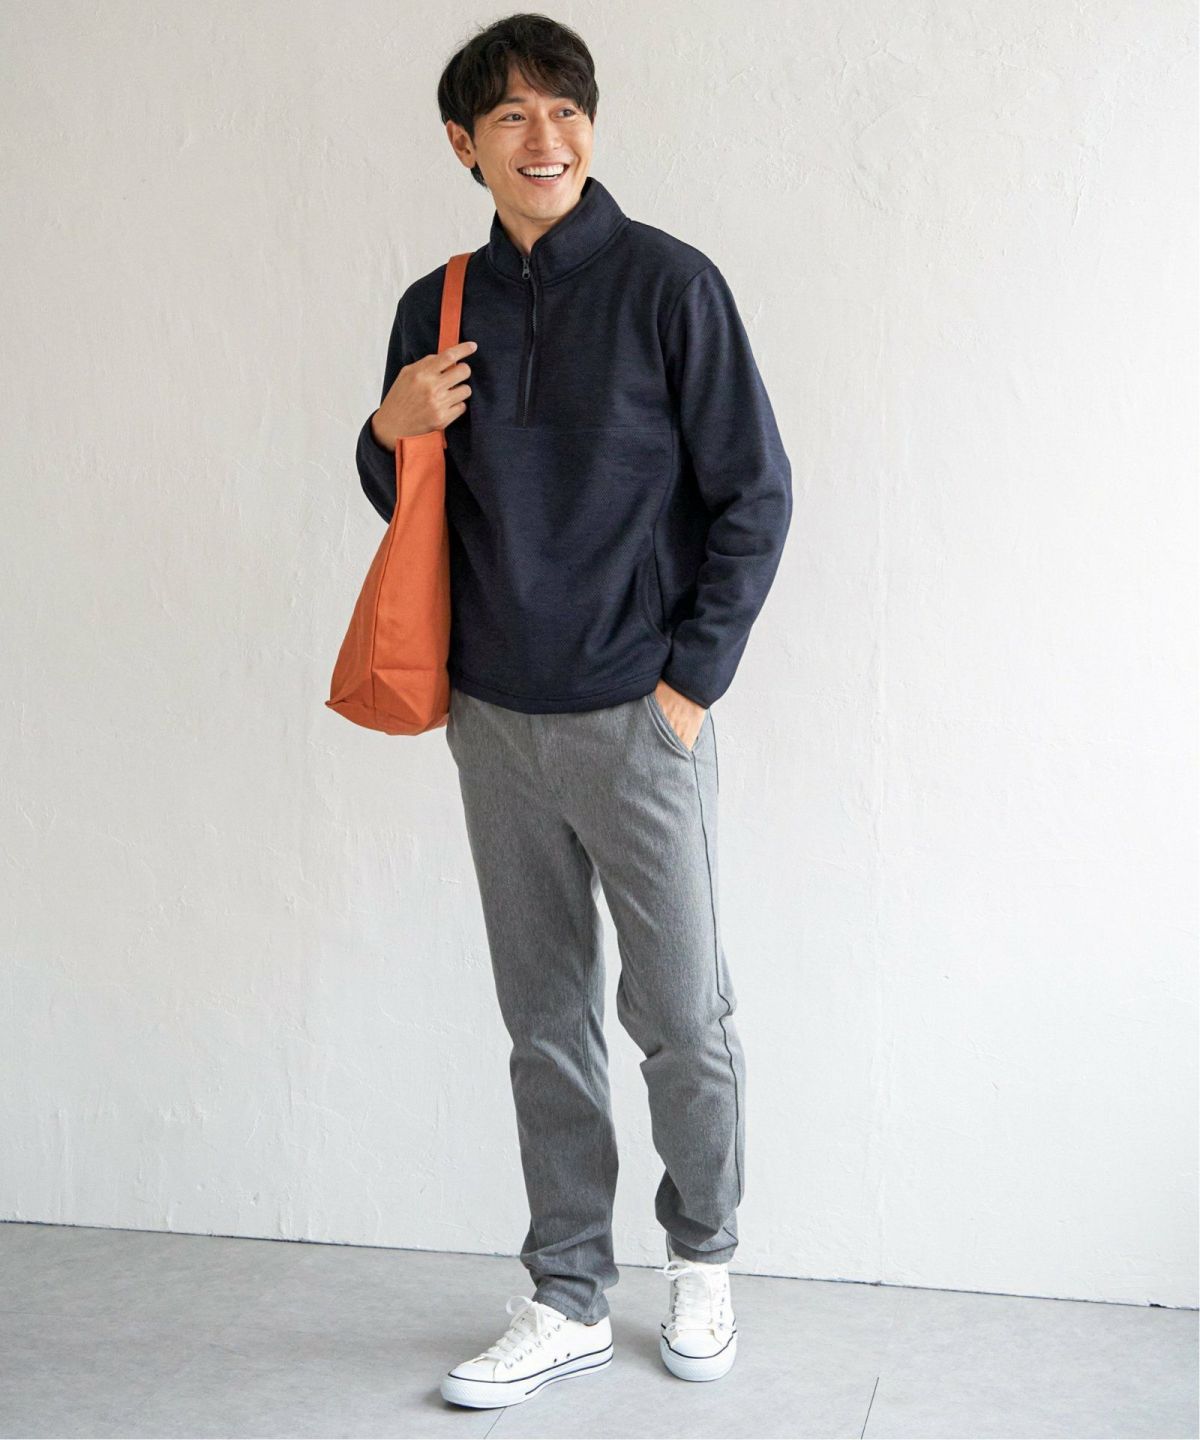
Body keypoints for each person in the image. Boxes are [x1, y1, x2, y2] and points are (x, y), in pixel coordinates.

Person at [355, 13, 792, 1411]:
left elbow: (755, 496)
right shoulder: (436, 305)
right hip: (492, 719)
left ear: (589, 127)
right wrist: (386, 429)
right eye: (512, 117)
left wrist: (686, 690)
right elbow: (413, 503)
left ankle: (703, 1258)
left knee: (682, 1017)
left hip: (637, 722)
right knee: (543, 1021)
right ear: (464, 145)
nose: (545, 138)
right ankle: (568, 1293)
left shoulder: (671, 284)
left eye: (566, 109)